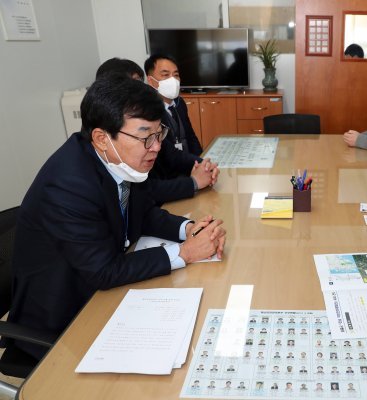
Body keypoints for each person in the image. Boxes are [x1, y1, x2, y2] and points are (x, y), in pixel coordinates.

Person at [6, 76, 226, 360]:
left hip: (104, 292)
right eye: (146, 136)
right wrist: (185, 252)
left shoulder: (121, 159)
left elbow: (144, 213)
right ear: (101, 138)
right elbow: (103, 271)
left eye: (159, 134)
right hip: (65, 316)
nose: (156, 147)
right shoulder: (67, 185)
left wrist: (189, 229)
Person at [96, 57, 219, 205]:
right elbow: (146, 191)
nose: (156, 146)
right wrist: (193, 182)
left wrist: (203, 165)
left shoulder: (147, 117)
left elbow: (170, 153)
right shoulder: (82, 175)